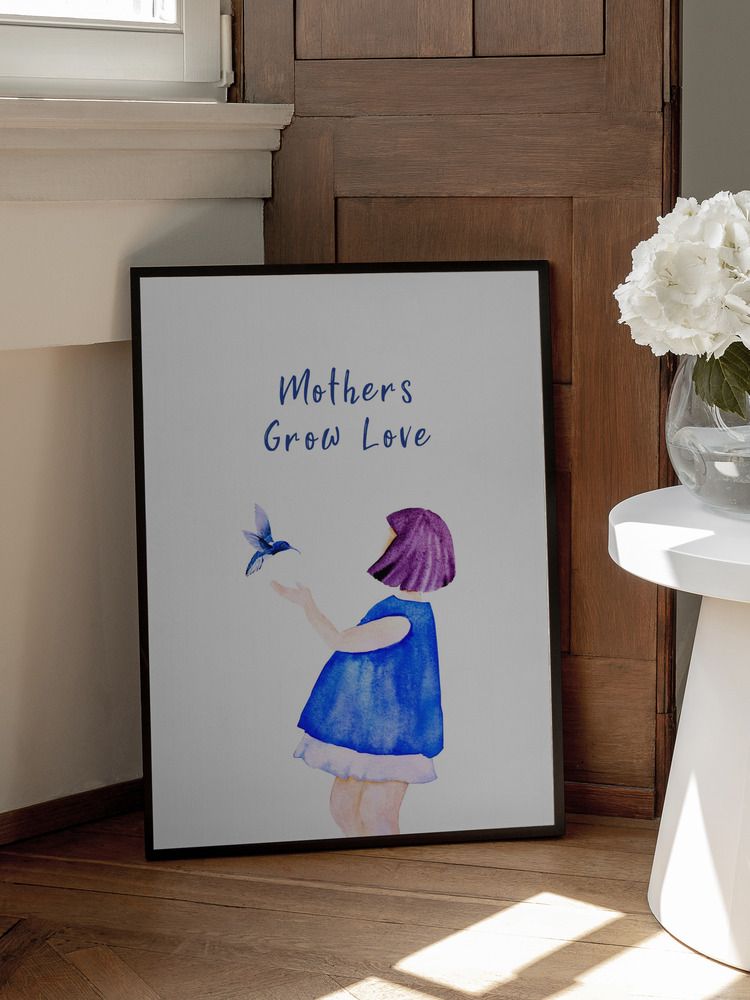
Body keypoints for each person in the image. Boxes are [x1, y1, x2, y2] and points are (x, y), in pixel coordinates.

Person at [272, 507, 455, 837]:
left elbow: (340, 641)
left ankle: (389, 866)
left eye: (391, 539)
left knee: (376, 815)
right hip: (368, 730)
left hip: (392, 738)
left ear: (405, 550)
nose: (384, 544)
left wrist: (308, 604)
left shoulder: (403, 618)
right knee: (344, 808)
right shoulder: (396, 608)